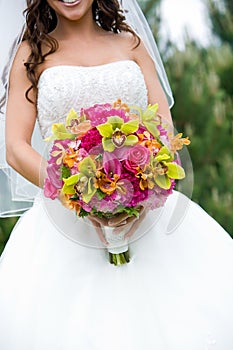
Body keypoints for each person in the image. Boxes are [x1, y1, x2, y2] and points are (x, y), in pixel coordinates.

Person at [0, 1, 233, 349]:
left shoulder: (130, 45)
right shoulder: (30, 54)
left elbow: (165, 133)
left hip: (148, 214)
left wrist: (141, 188)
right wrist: (74, 192)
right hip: (63, 222)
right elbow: (17, 148)